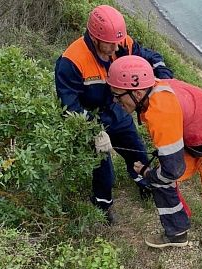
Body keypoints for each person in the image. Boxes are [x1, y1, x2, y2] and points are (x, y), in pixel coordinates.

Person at [106, 55, 202, 250]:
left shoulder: (160, 110)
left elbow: (172, 170)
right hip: (199, 142)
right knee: (161, 178)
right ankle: (177, 232)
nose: (116, 101)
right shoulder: (153, 90)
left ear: (137, 93)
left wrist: (147, 173)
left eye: (118, 95)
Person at [54, 5, 173, 224]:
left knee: (137, 150)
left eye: (119, 41)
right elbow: (69, 105)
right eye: (111, 43)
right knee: (103, 167)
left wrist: (165, 80)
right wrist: (93, 130)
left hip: (116, 110)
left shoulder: (122, 44)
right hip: (90, 117)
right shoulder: (72, 61)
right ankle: (102, 204)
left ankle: (145, 185)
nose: (117, 47)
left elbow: (151, 58)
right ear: (94, 36)